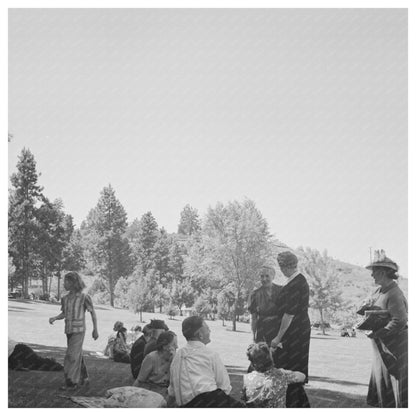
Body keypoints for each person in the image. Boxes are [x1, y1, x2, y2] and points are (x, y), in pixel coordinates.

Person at [168, 316, 245, 408]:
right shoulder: (209, 354)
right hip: (207, 401)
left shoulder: (177, 356)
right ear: (200, 335)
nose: (210, 331)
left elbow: (172, 391)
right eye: (207, 328)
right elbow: (225, 386)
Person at [364, 251, 407, 408]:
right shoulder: (378, 291)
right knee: (383, 386)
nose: (372, 276)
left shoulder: (394, 293)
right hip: (381, 348)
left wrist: (380, 333)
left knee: (393, 386)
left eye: (374, 272)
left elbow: (400, 320)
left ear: (382, 272)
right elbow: (373, 311)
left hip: (393, 348)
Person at [271, 251, 310, 408]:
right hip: (297, 330)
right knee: (289, 368)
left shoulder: (296, 284)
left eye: (281, 266)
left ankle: (295, 405)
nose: (281, 269)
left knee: (291, 368)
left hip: (295, 332)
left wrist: (278, 337)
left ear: (285, 266)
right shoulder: (295, 281)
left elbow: (289, 314)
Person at [49, 271, 99, 390]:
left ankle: (71, 383)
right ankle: (85, 378)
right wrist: (55, 318)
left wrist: (95, 329)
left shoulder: (84, 297)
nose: (64, 283)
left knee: (71, 356)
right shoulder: (65, 298)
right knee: (76, 355)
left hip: (79, 330)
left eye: (66, 281)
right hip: (69, 330)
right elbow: (64, 313)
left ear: (73, 282)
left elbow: (93, 314)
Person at [242, 342, 306, 407]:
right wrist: (285, 371)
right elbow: (302, 376)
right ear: (270, 358)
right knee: (296, 387)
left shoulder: (247, 378)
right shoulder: (281, 375)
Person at [133, 331, 178, 399]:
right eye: (174, 344)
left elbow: (177, 381)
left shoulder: (175, 358)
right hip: (150, 392)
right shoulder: (151, 358)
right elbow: (139, 380)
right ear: (165, 346)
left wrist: (174, 361)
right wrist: (131, 393)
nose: (177, 346)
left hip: (166, 392)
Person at [247, 266, 282, 344]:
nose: (264, 279)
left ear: (273, 276)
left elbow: (287, 315)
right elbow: (253, 318)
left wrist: (280, 336)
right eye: (262, 276)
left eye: (267, 276)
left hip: (278, 331)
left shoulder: (281, 291)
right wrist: (253, 337)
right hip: (262, 331)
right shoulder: (255, 294)